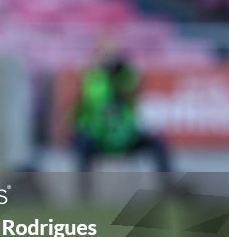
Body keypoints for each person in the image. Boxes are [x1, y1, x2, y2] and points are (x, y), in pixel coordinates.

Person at [73, 49, 173, 179]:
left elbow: (134, 85)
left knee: (158, 143)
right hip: (100, 137)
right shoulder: (94, 80)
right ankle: (83, 191)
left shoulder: (126, 77)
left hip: (126, 138)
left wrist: (121, 71)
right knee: (82, 142)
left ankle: (168, 185)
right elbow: (95, 98)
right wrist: (105, 75)